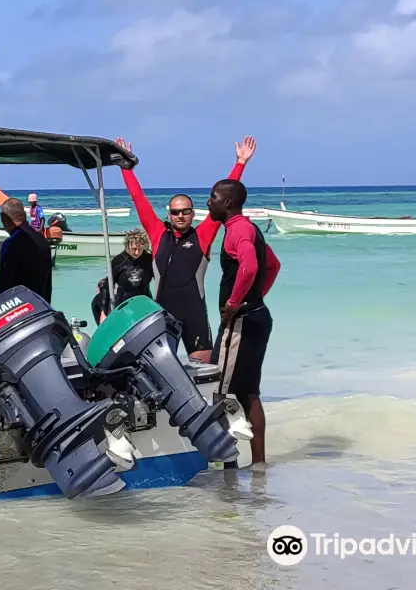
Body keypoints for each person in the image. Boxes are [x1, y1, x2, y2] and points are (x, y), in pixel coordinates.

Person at [114, 136, 257, 362]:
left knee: (205, 375)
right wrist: (126, 168)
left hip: (195, 316)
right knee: (160, 372)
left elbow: (227, 197)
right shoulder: (158, 233)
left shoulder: (202, 235)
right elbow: (138, 198)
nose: (180, 216)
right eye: (175, 212)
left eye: (185, 211)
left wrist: (240, 163)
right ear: (169, 214)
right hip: (162, 315)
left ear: (193, 213)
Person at [207, 178, 281, 466]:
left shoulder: (237, 229)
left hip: (240, 323)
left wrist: (235, 303)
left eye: (212, 197)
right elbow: (273, 265)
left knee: (219, 390)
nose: (208, 202)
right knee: (249, 391)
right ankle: (259, 464)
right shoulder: (250, 229)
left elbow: (250, 266)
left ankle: (228, 466)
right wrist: (257, 296)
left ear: (227, 202)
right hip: (258, 316)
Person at [0, 198, 53, 303]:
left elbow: (3, 284)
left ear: (3, 218)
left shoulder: (12, 243)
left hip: (20, 308)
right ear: (24, 215)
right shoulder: (41, 239)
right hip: (41, 305)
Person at [91, 228, 154, 323]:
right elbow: (107, 287)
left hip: (145, 305)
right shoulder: (118, 261)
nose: (137, 252)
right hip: (123, 307)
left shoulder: (149, 260)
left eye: (140, 249)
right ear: (127, 246)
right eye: (134, 249)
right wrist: (104, 313)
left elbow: (162, 282)